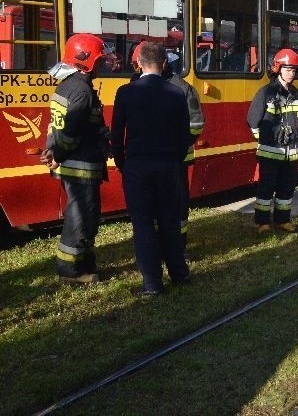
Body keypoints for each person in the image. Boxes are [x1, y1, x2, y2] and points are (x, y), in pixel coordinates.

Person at [111, 42, 191, 296]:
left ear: (138, 64)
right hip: (168, 165)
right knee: (169, 220)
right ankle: (179, 274)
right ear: (165, 64)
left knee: (143, 224)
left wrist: (124, 163)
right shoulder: (177, 94)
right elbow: (184, 136)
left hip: (137, 166)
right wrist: (174, 161)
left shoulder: (125, 93)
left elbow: (116, 135)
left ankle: (152, 283)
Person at [40, 33, 111, 284]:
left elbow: (57, 126)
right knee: (81, 216)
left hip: (73, 163)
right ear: (86, 60)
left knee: (85, 214)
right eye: (100, 61)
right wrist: (58, 153)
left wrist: (53, 151)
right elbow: (70, 133)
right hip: (80, 165)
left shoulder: (67, 85)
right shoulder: (82, 91)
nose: (103, 65)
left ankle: (84, 261)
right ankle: (70, 271)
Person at [131, 42, 205, 255]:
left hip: (176, 162)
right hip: (153, 161)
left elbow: (196, 124)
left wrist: (176, 149)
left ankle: (177, 249)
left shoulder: (181, 88)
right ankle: (157, 249)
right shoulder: (136, 86)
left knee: (177, 207)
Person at [246, 48, 298, 234]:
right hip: (270, 151)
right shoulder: (266, 93)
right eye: (287, 69)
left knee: (287, 188)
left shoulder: (297, 95)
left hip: (291, 152)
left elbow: (297, 118)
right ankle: (262, 222)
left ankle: (283, 220)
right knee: (266, 188)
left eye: (294, 70)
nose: (291, 73)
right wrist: (264, 139)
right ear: (278, 69)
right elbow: (253, 120)